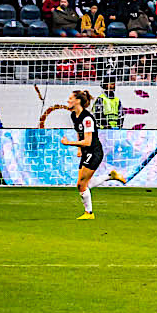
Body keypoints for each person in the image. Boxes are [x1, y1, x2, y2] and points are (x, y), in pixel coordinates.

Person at [54, 87, 116, 219]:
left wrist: (69, 143)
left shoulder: (87, 118)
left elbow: (88, 141)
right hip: (86, 151)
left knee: (81, 184)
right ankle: (110, 176)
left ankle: (89, 213)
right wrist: (78, 149)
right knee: (82, 184)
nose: (68, 100)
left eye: (70, 98)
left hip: (94, 151)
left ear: (77, 101)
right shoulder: (73, 115)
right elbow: (79, 132)